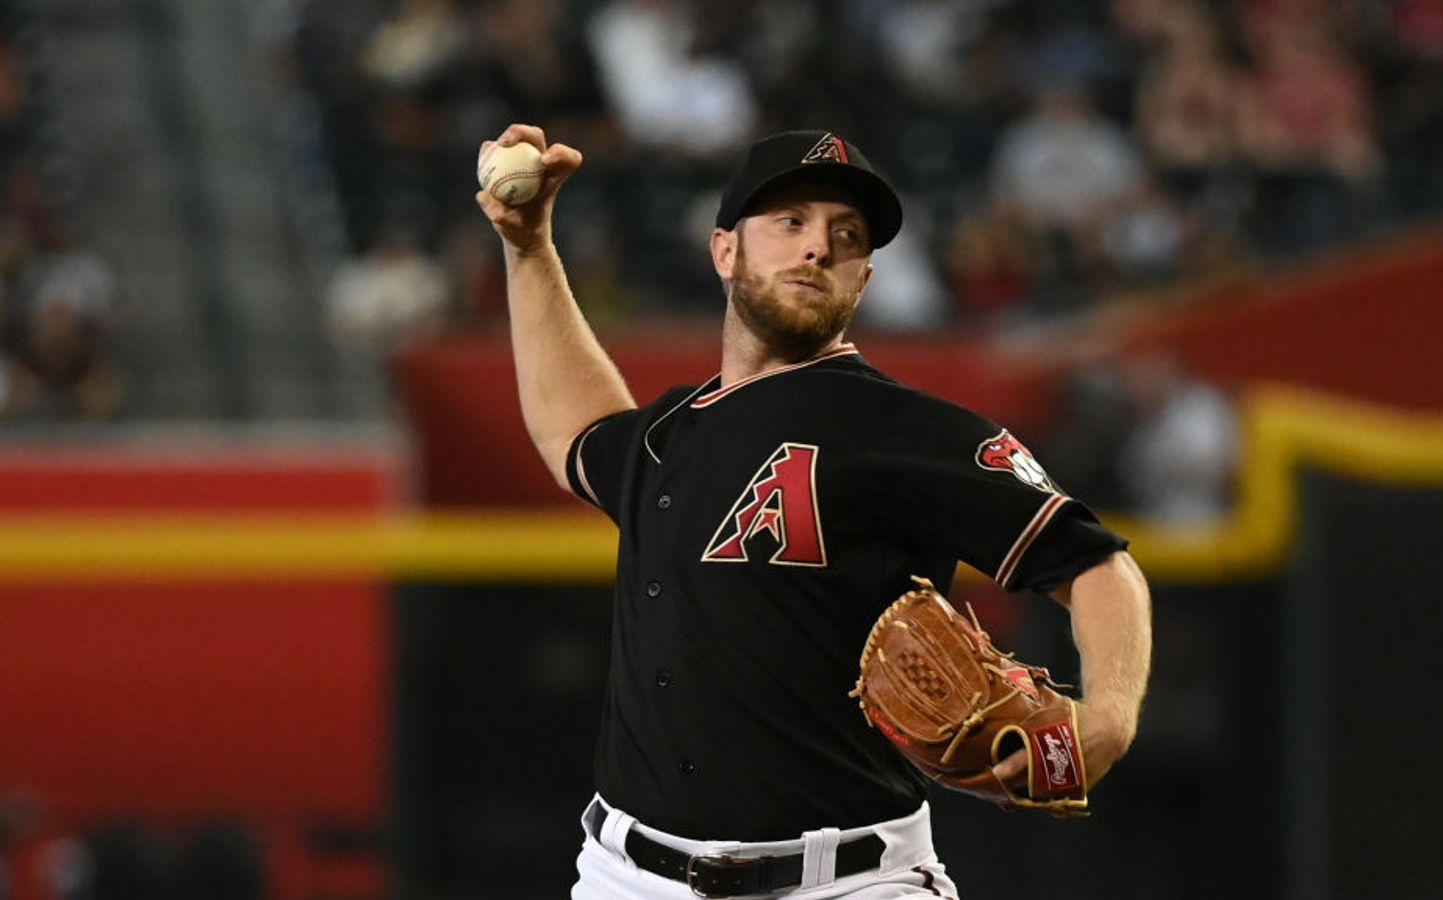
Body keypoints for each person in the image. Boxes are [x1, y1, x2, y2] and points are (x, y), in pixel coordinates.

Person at [476, 123, 1153, 899]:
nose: (817, 247)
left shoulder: (908, 431)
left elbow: (1098, 565)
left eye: (847, 234)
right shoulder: (668, 434)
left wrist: (1108, 716)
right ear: (725, 251)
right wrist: (529, 251)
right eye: (790, 222)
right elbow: (576, 429)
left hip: (844, 881)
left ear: (862, 280)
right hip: (627, 875)